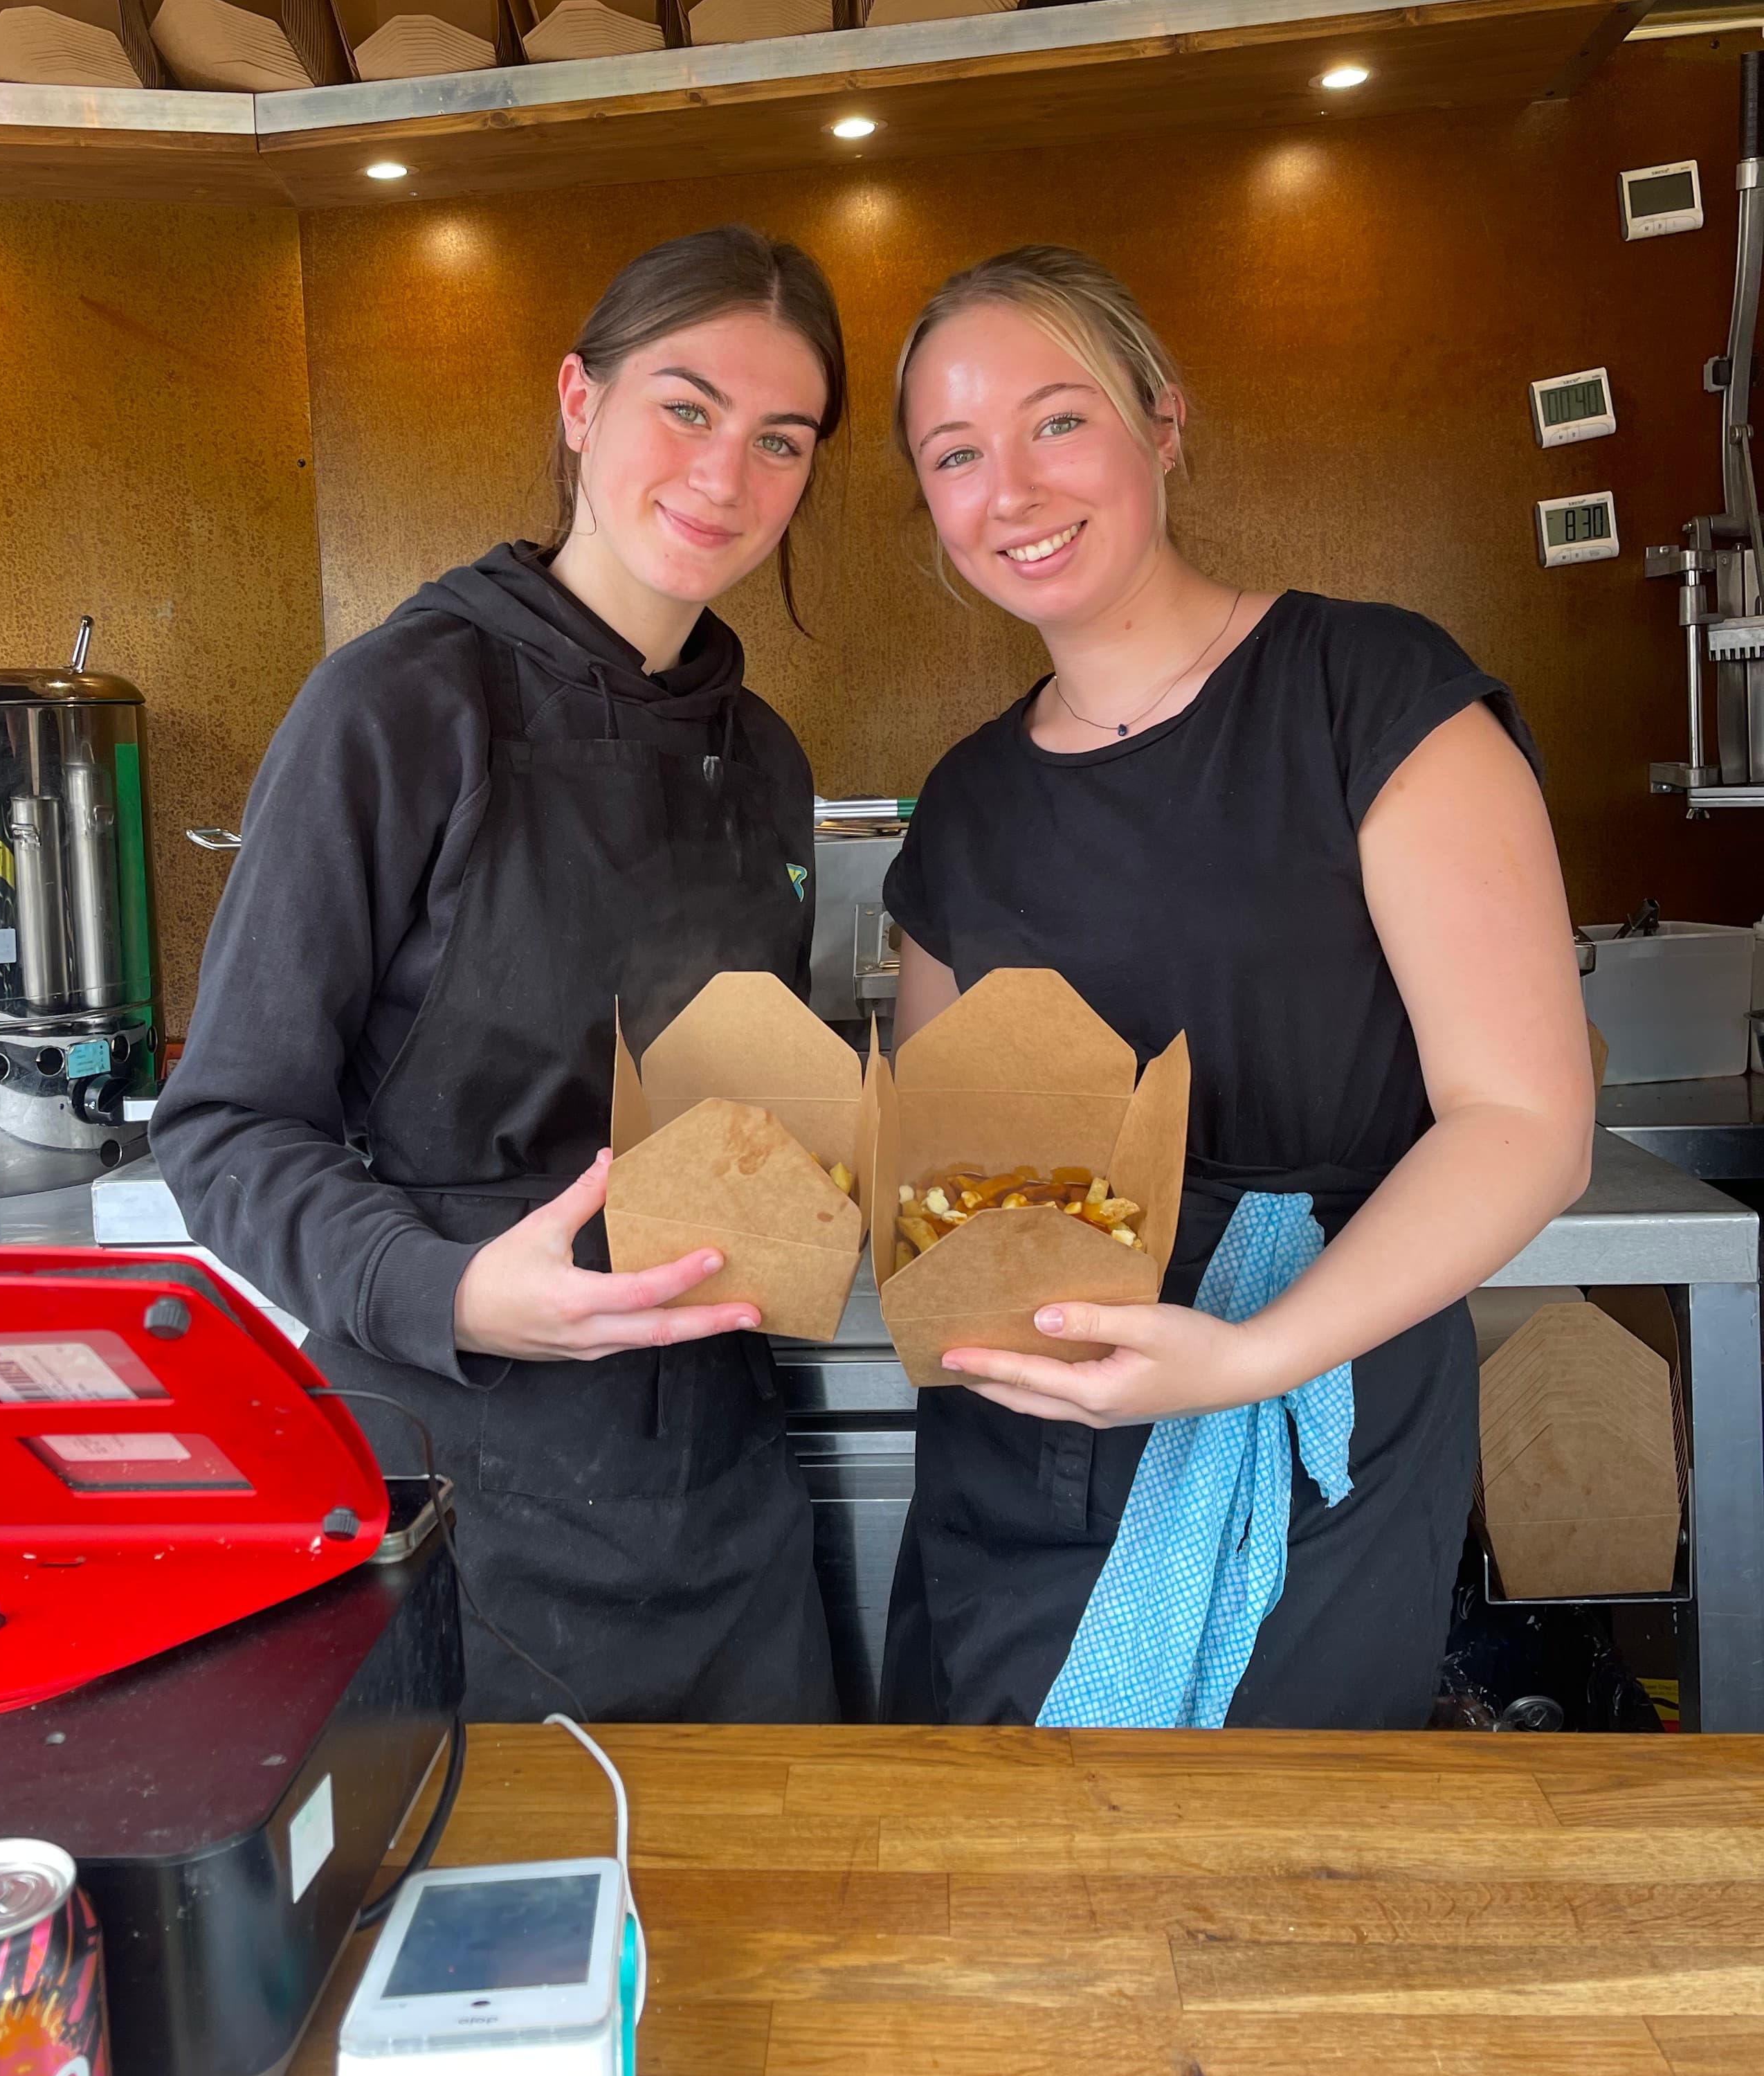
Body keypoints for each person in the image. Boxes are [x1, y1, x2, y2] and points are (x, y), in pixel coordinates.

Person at [876, 245, 1594, 1728]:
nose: (1011, 489)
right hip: (1019, 1441)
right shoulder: (964, 804)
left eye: (1057, 420)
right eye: (956, 453)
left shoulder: (1369, 695)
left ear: (1162, 421)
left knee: (1252, 1852)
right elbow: (940, 1165)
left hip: (1307, 1402)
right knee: (994, 1847)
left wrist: (1249, 1357)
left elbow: (1526, 1121)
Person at [152, 226, 843, 1722]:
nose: (726, 475)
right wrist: (456, 1291)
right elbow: (225, 1127)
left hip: (724, 1480)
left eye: (781, 439)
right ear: (580, 401)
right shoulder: (399, 706)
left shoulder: (765, 759)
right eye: (686, 406)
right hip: (461, 1474)